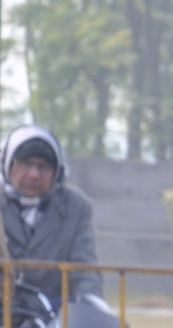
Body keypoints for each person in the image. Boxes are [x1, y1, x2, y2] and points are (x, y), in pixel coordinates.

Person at [2, 124, 100, 306]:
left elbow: (84, 271)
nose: (34, 175)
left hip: (52, 313)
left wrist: (91, 304)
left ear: (57, 172)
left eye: (44, 167)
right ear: (7, 165)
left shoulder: (75, 208)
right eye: (26, 164)